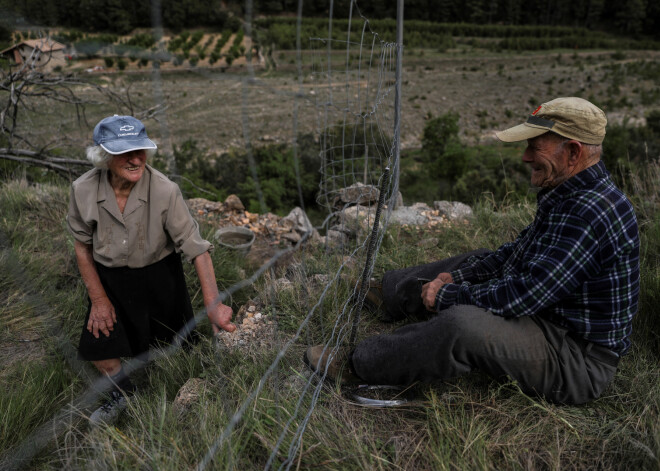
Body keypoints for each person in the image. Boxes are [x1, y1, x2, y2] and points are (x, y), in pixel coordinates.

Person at [305, 97, 640, 405]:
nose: (525, 157)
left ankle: (358, 366)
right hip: (549, 320)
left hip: (575, 359)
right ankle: (391, 294)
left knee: (463, 326)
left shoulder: (590, 214)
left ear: (573, 152)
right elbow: (514, 255)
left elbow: (524, 294)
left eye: (535, 147)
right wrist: (457, 277)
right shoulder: (570, 192)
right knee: (478, 259)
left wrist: (450, 295)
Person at [67, 115, 236, 424]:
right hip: (110, 280)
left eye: (140, 150)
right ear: (103, 156)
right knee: (100, 346)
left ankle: (189, 393)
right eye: (124, 152)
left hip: (160, 275)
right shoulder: (82, 190)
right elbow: (82, 247)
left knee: (180, 348)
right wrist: (99, 301)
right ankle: (124, 395)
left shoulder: (164, 190)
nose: (135, 159)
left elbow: (196, 248)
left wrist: (213, 305)